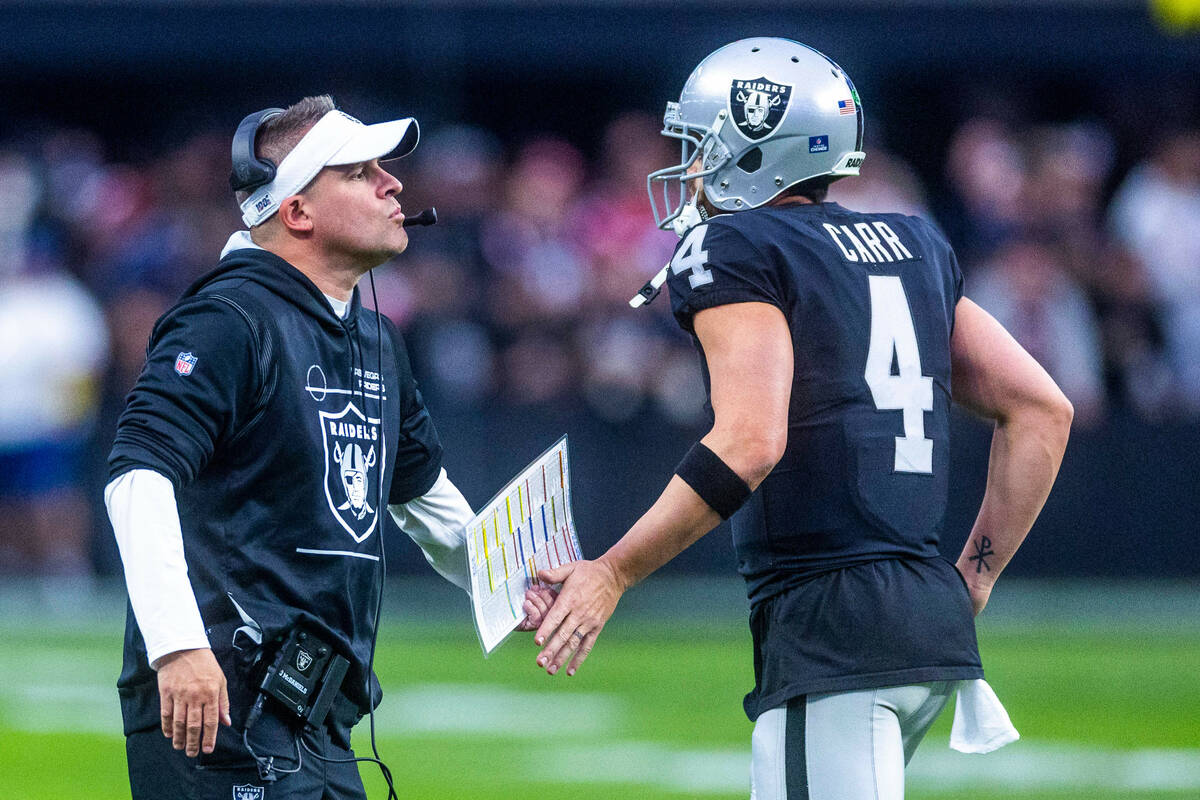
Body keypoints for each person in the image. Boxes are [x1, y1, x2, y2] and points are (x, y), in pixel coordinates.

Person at [532, 38, 1074, 799]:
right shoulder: (911, 241)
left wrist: (613, 571)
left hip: (836, 628)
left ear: (756, 152)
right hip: (923, 625)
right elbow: (1043, 409)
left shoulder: (735, 244)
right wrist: (971, 579)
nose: (688, 170)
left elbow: (751, 440)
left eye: (702, 147)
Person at [105, 95, 550, 800]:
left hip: (320, 714)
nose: (392, 184)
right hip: (216, 711)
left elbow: (423, 499)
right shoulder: (227, 318)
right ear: (297, 213)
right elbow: (138, 473)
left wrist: (515, 584)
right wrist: (177, 646)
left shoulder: (375, 338)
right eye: (358, 172)